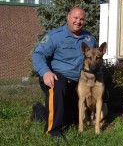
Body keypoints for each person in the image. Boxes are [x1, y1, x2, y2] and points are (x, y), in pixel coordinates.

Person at [32, 7, 97, 138]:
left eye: (81, 19)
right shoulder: (55, 36)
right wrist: (45, 72)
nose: (78, 21)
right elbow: (38, 54)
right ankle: (53, 131)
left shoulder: (90, 39)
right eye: (75, 18)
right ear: (68, 17)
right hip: (55, 76)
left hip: (77, 81)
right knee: (58, 86)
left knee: (69, 120)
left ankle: (38, 112)